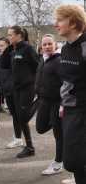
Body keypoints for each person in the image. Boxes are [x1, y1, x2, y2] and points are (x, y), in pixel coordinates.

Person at [54, 4, 86, 184]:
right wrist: (63, 104)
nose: (56, 23)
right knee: (76, 161)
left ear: (73, 23)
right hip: (70, 109)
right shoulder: (65, 48)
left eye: (60, 19)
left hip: (83, 111)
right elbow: (67, 81)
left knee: (75, 161)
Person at [7, 26, 39, 158]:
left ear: (19, 35)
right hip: (17, 89)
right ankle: (30, 147)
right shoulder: (13, 50)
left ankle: (39, 101)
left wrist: (37, 86)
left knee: (23, 117)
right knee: (20, 118)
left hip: (28, 88)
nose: (8, 37)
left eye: (10, 35)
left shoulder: (28, 49)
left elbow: (38, 67)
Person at [35, 34, 63, 175]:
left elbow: (66, 82)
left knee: (58, 135)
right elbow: (39, 77)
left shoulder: (58, 60)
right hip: (44, 100)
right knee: (40, 127)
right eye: (44, 44)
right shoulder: (43, 59)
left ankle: (58, 163)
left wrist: (63, 104)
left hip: (57, 101)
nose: (47, 46)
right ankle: (56, 123)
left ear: (55, 44)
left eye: (49, 44)